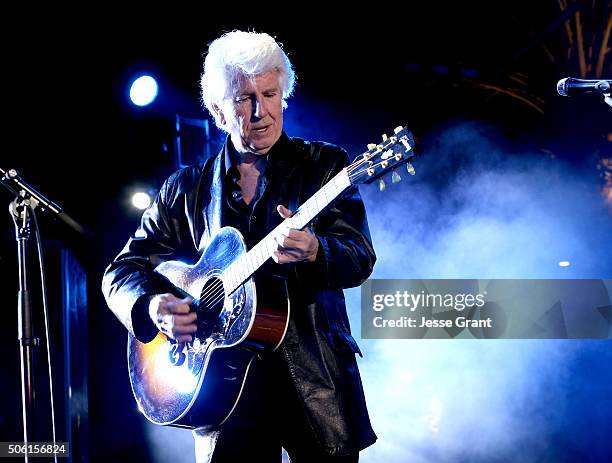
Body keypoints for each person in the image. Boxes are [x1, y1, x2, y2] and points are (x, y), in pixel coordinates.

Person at [102, 30, 377, 463]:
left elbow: (359, 256)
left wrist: (315, 250)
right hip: (221, 392)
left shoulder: (325, 166)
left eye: (270, 94)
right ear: (217, 109)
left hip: (314, 378)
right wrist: (154, 307)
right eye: (243, 99)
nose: (260, 112)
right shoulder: (186, 189)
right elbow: (121, 270)